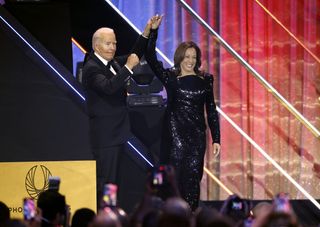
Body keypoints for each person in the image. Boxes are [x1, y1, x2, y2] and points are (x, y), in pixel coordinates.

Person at [145, 15, 221, 211]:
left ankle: (190, 217)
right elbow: (151, 58)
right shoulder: (170, 77)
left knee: (193, 180)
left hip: (196, 138)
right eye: (187, 57)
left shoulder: (206, 80)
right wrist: (153, 32)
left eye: (194, 57)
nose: (190, 60)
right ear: (180, 58)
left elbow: (211, 109)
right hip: (175, 136)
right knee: (175, 181)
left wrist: (216, 139)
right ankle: (173, 217)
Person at [81, 16, 157, 208]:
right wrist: (129, 67)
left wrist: (147, 32)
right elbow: (109, 87)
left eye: (114, 43)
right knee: (106, 184)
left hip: (118, 134)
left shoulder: (112, 63)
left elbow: (134, 55)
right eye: (108, 44)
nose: (113, 47)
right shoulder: (91, 68)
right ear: (97, 45)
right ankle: (105, 218)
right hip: (106, 139)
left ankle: (111, 215)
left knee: (114, 184)